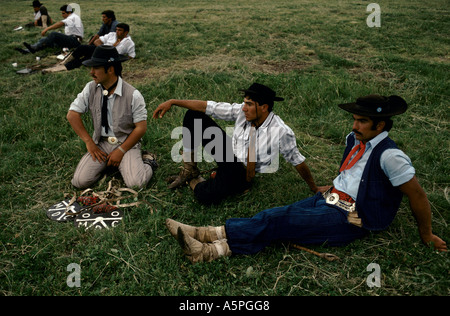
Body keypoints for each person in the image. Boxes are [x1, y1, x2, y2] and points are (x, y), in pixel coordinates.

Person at [165, 94, 447, 263]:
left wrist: (426, 234)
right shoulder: (355, 139)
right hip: (331, 198)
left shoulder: (390, 156)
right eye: (354, 119)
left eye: (361, 121)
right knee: (275, 216)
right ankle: (208, 238)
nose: (354, 125)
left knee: (276, 222)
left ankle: (208, 250)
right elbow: (351, 172)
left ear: (380, 125)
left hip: (354, 217)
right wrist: (329, 187)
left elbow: (418, 195)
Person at [153, 83, 319, 204]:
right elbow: (207, 107)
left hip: (241, 172)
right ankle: (189, 170)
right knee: (193, 115)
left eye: (249, 104)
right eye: (244, 103)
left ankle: (196, 181)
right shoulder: (242, 111)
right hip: (230, 154)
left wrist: (314, 188)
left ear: (264, 107)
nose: (244, 108)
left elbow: (297, 161)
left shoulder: (281, 131)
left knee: (204, 195)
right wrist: (173, 101)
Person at [67, 45, 156, 189]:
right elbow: (72, 115)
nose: (91, 72)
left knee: (136, 184)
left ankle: (148, 161)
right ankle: (110, 164)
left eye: (96, 68)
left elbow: (141, 128)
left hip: (126, 143)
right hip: (101, 143)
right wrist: (89, 142)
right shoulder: (90, 88)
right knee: (79, 182)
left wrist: (121, 151)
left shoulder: (133, 94)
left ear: (110, 69)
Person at [42, 23, 135, 73]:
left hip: (108, 57)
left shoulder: (129, 43)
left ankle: (58, 69)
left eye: (120, 30)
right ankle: (64, 62)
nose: (117, 32)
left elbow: (131, 56)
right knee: (82, 48)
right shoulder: (112, 35)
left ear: (125, 32)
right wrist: (103, 48)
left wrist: (118, 58)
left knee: (85, 60)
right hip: (100, 50)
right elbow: (97, 41)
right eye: (117, 30)